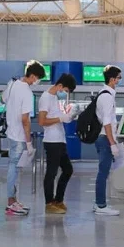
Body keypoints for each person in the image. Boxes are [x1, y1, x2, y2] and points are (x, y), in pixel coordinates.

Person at [4, 61, 44, 216]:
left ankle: (13, 199)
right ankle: (10, 202)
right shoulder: (27, 92)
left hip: (11, 132)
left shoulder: (13, 84)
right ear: (32, 75)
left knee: (14, 167)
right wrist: (29, 142)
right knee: (14, 168)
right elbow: (25, 119)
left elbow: (3, 99)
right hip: (20, 136)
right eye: (38, 78)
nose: (37, 81)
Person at [37, 72, 76, 214]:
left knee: (68, 170)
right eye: (65, 91)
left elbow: (57, 116)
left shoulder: (55, 98)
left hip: (60, 140)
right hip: (52, 141)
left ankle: (58, 200)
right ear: (60, 85)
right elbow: (42, 121)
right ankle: (49, 203)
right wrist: (60, 119)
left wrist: (66, 116)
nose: (65, 94)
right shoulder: (46, 97)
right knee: (51, 173)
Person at [94, 65, 123, 216]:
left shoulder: (105, 94)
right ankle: (101, 204)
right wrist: (113, 143)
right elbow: (107, 122)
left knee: (103, 172)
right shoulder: (107, 96)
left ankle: (99, 203)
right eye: (119, 78)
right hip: (105, 138)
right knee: (103, 172)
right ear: (112, 79)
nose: (119, 81)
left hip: (105, 137)